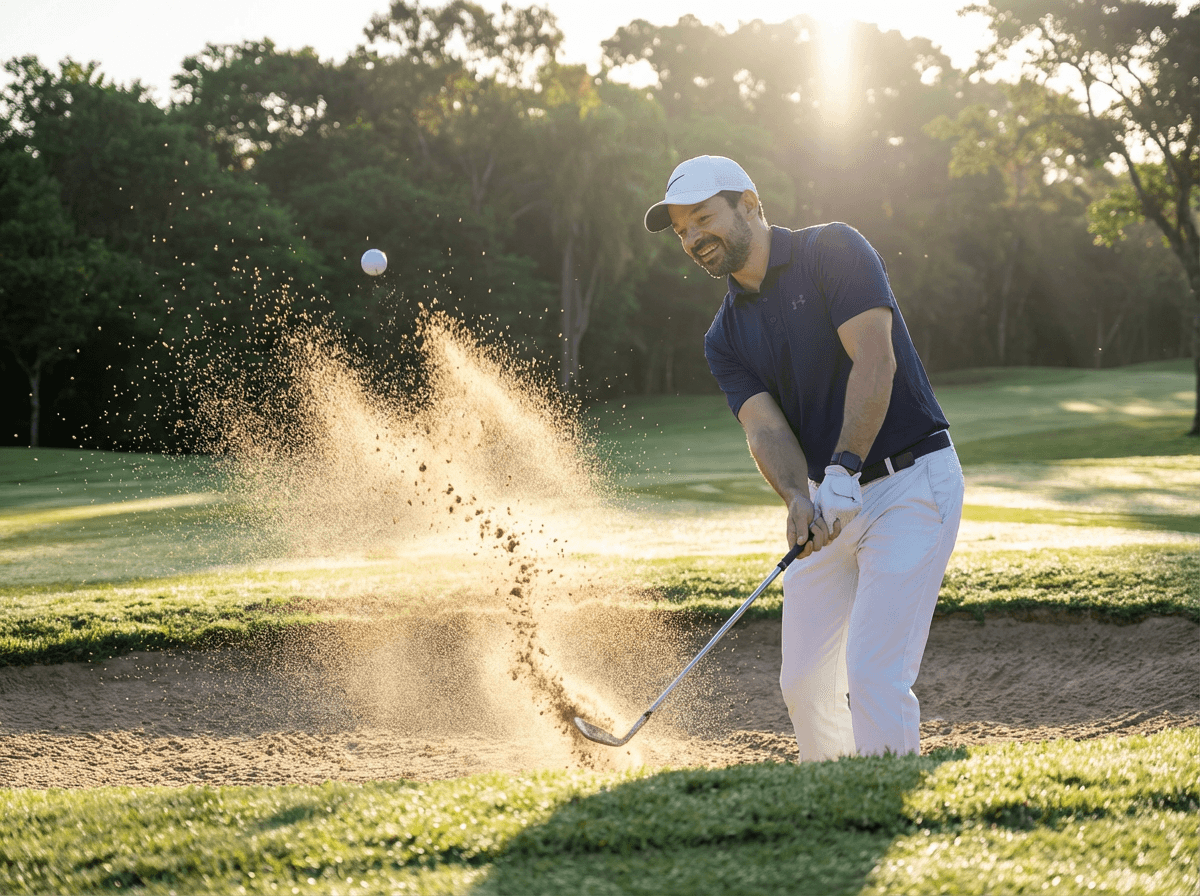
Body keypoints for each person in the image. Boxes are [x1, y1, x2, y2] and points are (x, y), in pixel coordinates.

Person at [644, 155, 965, 762]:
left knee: (873, 673)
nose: (692, 239)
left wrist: (844, 466)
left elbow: (875, 359)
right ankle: (837, 793)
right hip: (827, 501)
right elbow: (765, 428)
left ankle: (887, 792)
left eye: (704, 219)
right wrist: (796, 495)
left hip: (911, 484)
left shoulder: (833, 250)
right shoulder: (724, 336)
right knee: (804, 682)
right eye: (682, 230)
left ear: (750, 204)